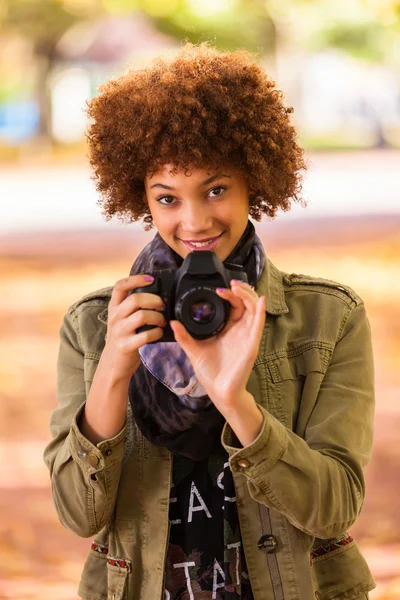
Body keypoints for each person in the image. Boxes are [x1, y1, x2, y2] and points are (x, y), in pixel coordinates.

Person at [43, 41, 376, 600]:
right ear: (141, 198)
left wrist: (234, 401)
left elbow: (334, 509)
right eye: (167, 197)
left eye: (216, 189)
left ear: (255, 179)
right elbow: (80, 515)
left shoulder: (328, 317)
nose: (195, 221)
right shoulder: (94, 325)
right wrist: (113, 372)